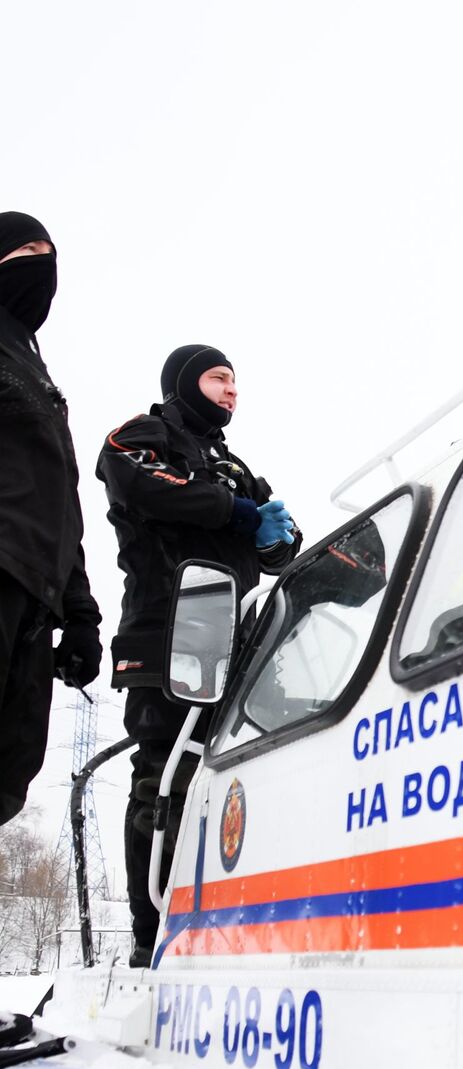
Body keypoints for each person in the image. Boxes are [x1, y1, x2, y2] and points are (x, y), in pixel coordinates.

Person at [97, 345, 301, 965]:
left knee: (238, 779)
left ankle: (224, 923)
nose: (232, 390)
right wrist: (235, 514)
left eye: (236, 381)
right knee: (165, 777)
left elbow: (280, 545)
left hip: (235, 642)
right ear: (186, 382)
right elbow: (138, 480)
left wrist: (280, 535)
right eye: (218, 377)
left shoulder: (235, 467)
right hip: (166, 631)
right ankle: (150, 934)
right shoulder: (143, 434)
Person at [0, 212, 101, 826]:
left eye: (50, 251)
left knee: (10, 774)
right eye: (27, 248)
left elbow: (63, 501)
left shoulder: (39, 373)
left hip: (38, 597)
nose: (43, 262)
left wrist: (82, 613)